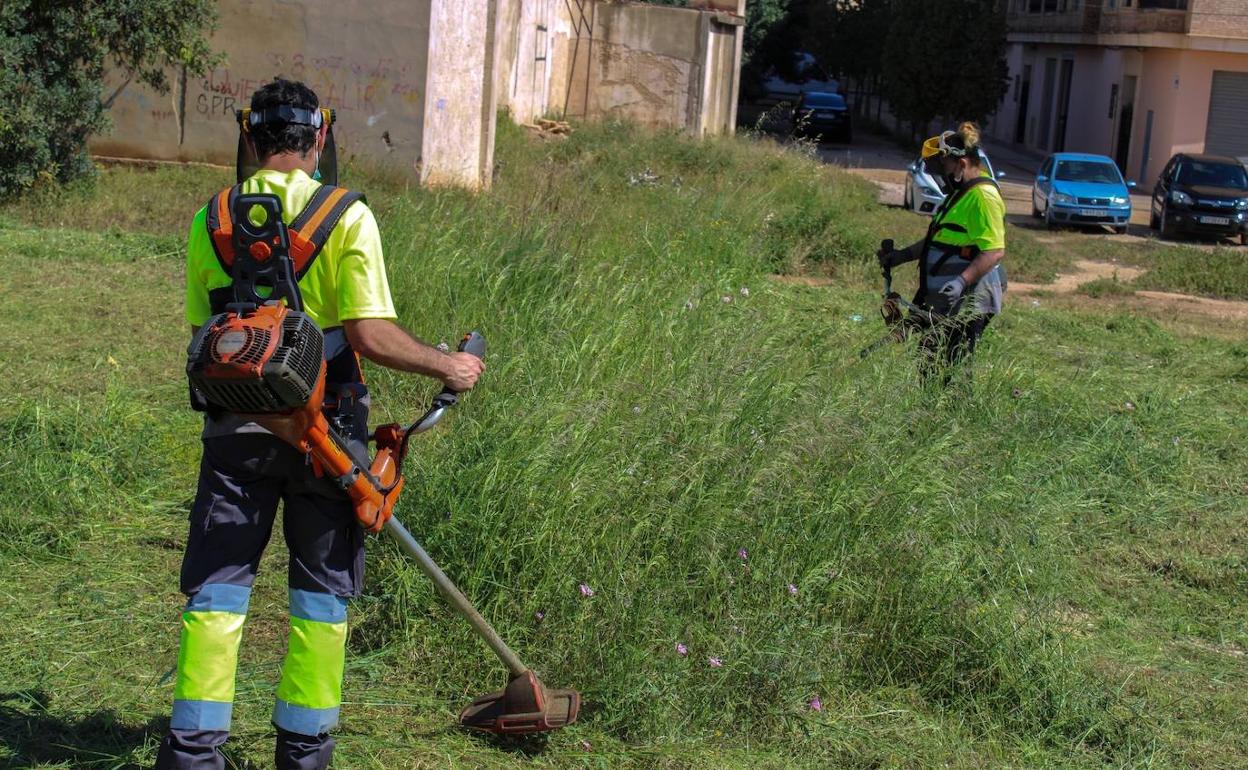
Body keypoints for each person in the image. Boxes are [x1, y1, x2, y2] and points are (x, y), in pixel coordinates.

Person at [156, 78, 484, 770]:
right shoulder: (347, 215)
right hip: (327, 435)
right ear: (320, 137)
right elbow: (368, 335)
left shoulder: (209, 216)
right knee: (319, 597)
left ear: (251, 137)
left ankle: (192, 754)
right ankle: (303, 753)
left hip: (235, 427)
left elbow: (204, 337)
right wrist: (447, 367)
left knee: (216, 591)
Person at [878, 122, 1007, 386]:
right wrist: (901, 256)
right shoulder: (959, 195)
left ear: (961, 164)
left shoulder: (984, 197)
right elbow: (938, 239)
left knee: (952, 364)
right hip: (945, 295)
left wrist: (962, 281)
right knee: (929, 358)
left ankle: (953, 416)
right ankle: (931, 414)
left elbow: (994, 251)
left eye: (943, 169)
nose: (940, 176)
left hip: (971, 298)